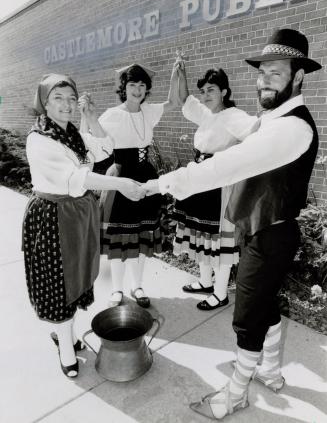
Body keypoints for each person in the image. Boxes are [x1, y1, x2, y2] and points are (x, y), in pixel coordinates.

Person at [144, 28, 321, 419]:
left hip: (271, 233)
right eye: (261, 73)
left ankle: (236, 394)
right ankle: (271, 373)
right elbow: (224, 125)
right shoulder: (272, 120)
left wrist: (161, 184)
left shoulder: (293, 127)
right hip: (260, 230)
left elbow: (230, 164)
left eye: (274, 73)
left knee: (247, 318)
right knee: (264, 304)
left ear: (299, 76)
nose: (263, 81)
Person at [23, 73, 145, 379]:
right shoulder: (39, 139)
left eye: (70, 98)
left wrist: (90, 116)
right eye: (57, 98)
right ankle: (66, 346)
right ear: (44, 103)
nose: (65, 105)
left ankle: (65, 334)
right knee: (59, 283)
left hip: (76, 216)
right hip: (52, 217)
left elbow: (103, 151)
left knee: (75, 279)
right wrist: (121, 183)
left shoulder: (71, 134)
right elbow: (76, 178)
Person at [81, 63, 179, 308]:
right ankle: (117, 289)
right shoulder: (113, 114)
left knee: (140, 235)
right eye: (132, 85)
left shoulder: (149, 111)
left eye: (142, 85)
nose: (138, 90)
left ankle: (137, 286)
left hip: (145, 177)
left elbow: (173, 102)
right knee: (119, 235)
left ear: (147, 89)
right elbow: (93, 139)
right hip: (121, 177)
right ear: (124, 88)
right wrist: (88, 116)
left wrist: (177, 74)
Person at [172, 62, 256, 310]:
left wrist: (235, 161)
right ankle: (205, 282)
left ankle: (221, 293)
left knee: (219, 239)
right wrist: (181, 75)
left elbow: (256, 133)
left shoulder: (233, 116)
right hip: (201, 181)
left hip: (219, 186)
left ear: (225, 92)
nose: (206, 95)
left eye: (211, 90)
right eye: (204, 91)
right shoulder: (208, 114)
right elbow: (184, 98)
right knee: (202, 234)